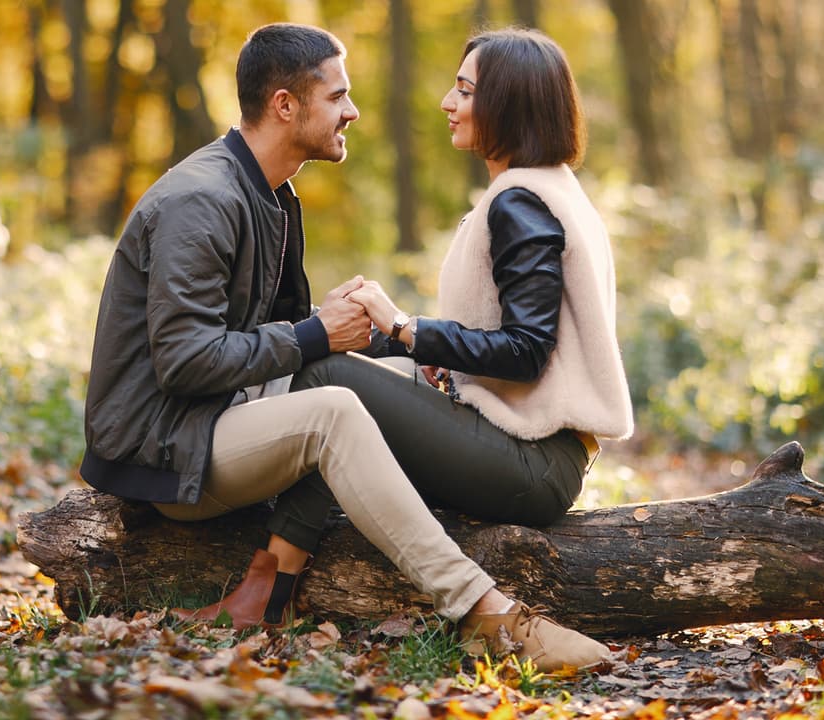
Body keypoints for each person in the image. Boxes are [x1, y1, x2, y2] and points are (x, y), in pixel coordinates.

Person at [82, 23, 611, 671]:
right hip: (168, 447)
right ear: (285, 105)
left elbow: (281, 341)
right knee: (333, 403)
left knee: (355, 374)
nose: (353, 111)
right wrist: (323, 333)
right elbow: (189, 362)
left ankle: (267, 591)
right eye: (338, 97)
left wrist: (376, 339)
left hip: (213, 418)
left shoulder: (270, 196)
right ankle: (485, 612)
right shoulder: (203, 200)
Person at [288, 27, 636, 662]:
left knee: (324, 380)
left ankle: (279, 582)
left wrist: (403, 327)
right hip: (532, 447)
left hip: (534, 464)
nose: (449, 102)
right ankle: (271, 579)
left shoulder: (521, 203)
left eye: (466, 89)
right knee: (344, 362)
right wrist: (374, 336)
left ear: (510, 103)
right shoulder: (547, 185)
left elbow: (527, 350)